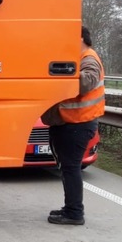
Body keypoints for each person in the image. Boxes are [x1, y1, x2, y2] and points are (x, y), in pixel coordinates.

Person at [41, 26, 105, 225]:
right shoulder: (82, 58)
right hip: (72, 122)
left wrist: (64, 71)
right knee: (69, 168)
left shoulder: (88, 58)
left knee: (71, 168)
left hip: (78, 123)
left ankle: (74, 212)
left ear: (80, 37)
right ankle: (71, 209)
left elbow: (85, 83)